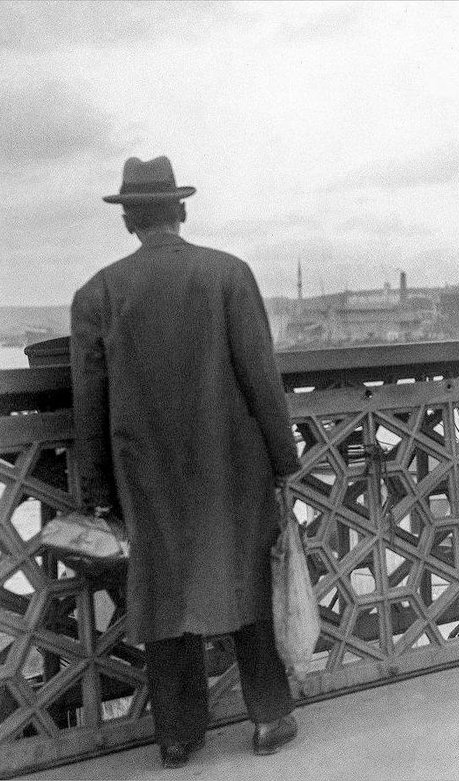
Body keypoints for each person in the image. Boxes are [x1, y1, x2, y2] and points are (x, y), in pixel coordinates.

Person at [71, 156, 302, 768]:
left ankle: (179, 735)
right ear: (182, 211)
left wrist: (97, 489)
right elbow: (261, 378)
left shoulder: (96, 294)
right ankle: (271, 717)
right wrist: (285, 460)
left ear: (128, 223)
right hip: (233, 463)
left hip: (144, 471)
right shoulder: (230, 274)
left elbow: (87, 405)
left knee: (163, 592)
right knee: (247, 575)